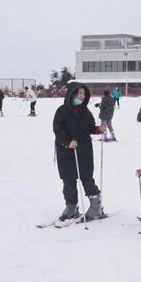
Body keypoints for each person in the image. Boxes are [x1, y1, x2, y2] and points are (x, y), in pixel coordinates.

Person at [52, 82, 106, 221]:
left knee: (86, 177)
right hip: (65, 151)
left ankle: (96, 206)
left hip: (84, 151)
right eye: (79, 93)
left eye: (83, 94)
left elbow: (90, 128)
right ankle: (71, 206)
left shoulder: (85, 111)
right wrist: (68, 142)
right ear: (72, 94)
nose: (82, 96)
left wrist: (98, 129)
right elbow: (58, 130)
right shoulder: (61, 111)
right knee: (68, 180)